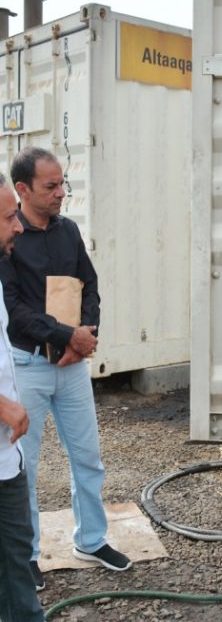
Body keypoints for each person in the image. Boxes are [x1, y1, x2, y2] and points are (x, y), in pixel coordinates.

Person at [0, 147, 131, 592]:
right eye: (51, 186)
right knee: (25, 466)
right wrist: (66, 335)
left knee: (87, 457)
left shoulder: (69, 231)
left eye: (62, 184)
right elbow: (14, 311)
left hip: (71, 365)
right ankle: (28, 555)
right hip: (28, 365)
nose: (61, 193)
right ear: (23, 189)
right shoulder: (8, 239)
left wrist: (87, 332)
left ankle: (91, 540)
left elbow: (89, 284)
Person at [0, 172, 85, 622]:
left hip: (4, 453)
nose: (17, 226)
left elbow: (88, 283)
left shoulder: (2, 268)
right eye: (7, 217)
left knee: (13, 549)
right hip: (7, 428)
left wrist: (81, 333)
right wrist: (4, 405)